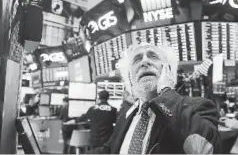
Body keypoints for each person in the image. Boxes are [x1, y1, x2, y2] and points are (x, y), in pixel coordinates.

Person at [89, 43, 221, 154]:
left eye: (153, 56)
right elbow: (110, 150)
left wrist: (165, 92)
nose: (145, 62)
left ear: (168, 70)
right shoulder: (125, 117)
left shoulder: (198, 107)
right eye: (137, 59)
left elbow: (208, 149)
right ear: (130, 78)